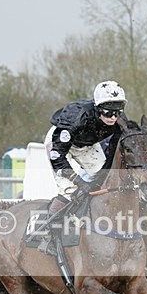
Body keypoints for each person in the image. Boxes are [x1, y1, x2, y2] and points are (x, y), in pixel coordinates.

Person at [44, 80, 128, 217]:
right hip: (59, 144)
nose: (113, 117)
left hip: (87, 145)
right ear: (98, 107)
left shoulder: (118, 120)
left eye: (117, 112)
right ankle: (46, 230)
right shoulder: (77, 117)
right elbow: (57, 155)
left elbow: (112, 153)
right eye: (108, 112)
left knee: (107, 183)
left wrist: (99, 180)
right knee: (70, 191)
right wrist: (79, 182)